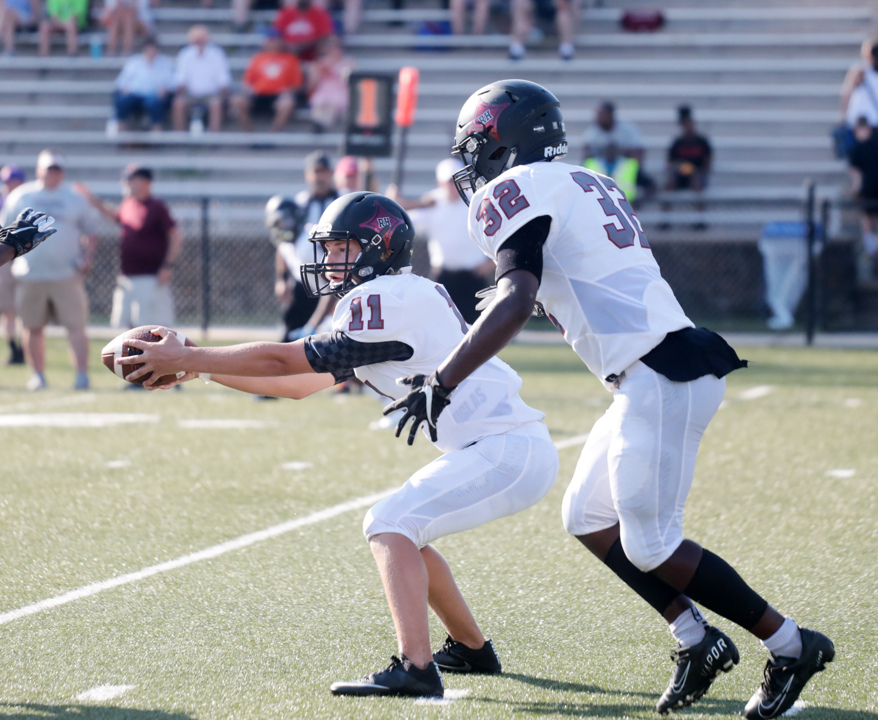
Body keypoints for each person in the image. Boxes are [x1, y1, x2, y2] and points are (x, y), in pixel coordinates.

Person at [385, 79, 835, 718]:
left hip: (660, 373)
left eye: (476, 143)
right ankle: (694, 637)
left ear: (502, 140)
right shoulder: (586, 180)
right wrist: (531, 298)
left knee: (651, 544)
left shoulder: (511, 193)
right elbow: (572, 281)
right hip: (656, 367)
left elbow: (516, 299)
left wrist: (443, 380)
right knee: (587, 517)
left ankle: (790, 644)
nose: (471, 161)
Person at [116, 191, 560, 699]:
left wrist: (191, 354)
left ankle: (416, 669)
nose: (327, 260)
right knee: (404, 527)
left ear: (378, 247)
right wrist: (198, 365)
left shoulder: (385, 301)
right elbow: (299, 383)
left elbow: (285, 362)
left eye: (340, 247)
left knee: (388, 523)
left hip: (504, 448)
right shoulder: (397, 298)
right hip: (503, 447)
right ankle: (470, 649)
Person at [0, 149, 98, 391]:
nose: (52, 174)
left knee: (76, 326)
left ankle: (82, 376)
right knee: (32, 327)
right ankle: (38, 376)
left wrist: (87, 258)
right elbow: (3, 232)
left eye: (56, 169)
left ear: (62, 172)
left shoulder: (75, 197)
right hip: (30, 274)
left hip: (66, 274)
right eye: (48, 169)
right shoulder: (21, 196)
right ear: (38, 170)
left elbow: (91, 231)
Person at [74, 165, 182, 329]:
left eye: (132, 180)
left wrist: (167, 266)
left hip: (150, 276)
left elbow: (175, 237)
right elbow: (114, 216)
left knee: (150, 327)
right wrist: (91, 199)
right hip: (127, 276)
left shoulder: (156, 207)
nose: (127, 184)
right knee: (127, 327)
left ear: (146, 183)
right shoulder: (128, 204)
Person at [388, 157, 493, 324]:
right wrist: (394, 204)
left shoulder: (475, 200)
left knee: (477, 329)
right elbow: (404, 223)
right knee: (439, 325)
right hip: (443, 277)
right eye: (448, 181)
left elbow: (495, 231)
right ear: (440, 182)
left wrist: (491, 263)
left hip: (474, 277)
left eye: (455, 180)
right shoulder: (432, 202)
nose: (452, 186)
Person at [232, 28, 303, 133]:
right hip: (258, 94)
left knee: (287, 103)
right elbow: (247, 82)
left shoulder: (290, 59)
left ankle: (273, 134)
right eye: (270, 39)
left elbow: (297, 84)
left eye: (275, 39)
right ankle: (250, 135)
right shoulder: (257, 58)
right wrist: (249, 90)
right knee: (237, 101)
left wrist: (286, 91)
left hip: (278, 95)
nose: (272, 42)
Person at [172, 25, 231, 133]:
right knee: (178, 103)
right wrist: (180, 90)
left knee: (216, 103)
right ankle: (180, 136)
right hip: (190, 94)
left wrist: (223, 92)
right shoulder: (185, 54)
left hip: (211, 93)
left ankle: (214, 136)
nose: (198, 41)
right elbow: (181, 79)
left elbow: (223, 79)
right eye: (196, 38)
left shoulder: (217, 54)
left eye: (201, 38)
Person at [663, 105, 712, 229]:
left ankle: (700, 220)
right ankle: (664, 220)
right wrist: (683, 168)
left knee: (697, 183)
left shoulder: (702, 142)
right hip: (680, 174)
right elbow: (670, 164)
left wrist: (693, 170)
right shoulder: (677, 143)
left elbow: (707, 165)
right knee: (669, 184)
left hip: (697, 175)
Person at [112, 37, 175, 133]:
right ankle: (121, 130)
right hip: (134, 94)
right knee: (122, 100)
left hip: (154, 96)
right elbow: (120, 81)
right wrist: (125, 88)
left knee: (154, 102)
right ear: (144, 50)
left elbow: (172, 83)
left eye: (153, 49)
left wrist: (165, 89)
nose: (151, 52)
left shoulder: (165, 63)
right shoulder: (133, 62)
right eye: (148, 49)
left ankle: (156, 132)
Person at [0, 164, 27, 364]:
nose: (10, 184)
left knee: (24, 309)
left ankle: (24, 348)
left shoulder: (27, 199)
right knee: (8, 308)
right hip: (6, 260)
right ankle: (14, 348)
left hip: (26, 261)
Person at [848, 116, 878, 281]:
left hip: (867, 190)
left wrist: (855, 190)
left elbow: (856, 174)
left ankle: (871, 252)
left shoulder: (857, 149)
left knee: (867, 222)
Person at [307, 34, 354, 134]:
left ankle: (322, 123)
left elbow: (350, 81)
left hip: (342, 90)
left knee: (333, 103)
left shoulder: (349, 62)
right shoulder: (318, 64)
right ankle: (319, 124)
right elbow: (311, 85)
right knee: (321, 102)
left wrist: (333, 71)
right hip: (324, 91)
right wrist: (317, 72)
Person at [508, 0, 580, 61]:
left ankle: (566, 47)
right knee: (520, 3)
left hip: (555, 15)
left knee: (563, 11)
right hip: (535, 15)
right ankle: (517, 46)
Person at [841, 39, 878, 130]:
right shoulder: (860, 71)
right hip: (862, 119)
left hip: (861, 119)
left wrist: (843, 115)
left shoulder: (859, 70)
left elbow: (847, 93)